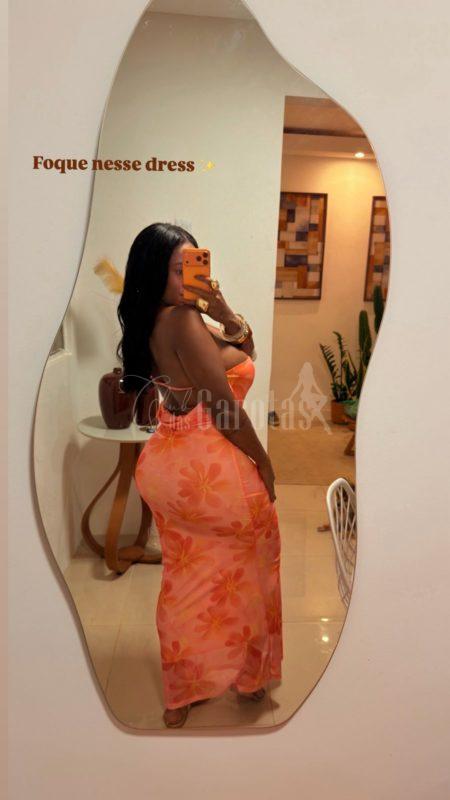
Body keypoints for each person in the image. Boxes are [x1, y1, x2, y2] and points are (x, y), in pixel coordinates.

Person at [117, 222, 283, 728]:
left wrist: (222, 308)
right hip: (210, 470)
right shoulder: (184, 321)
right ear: (154, 273)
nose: (191, 277)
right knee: (251, 571)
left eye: (195, 264)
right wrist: (264, 462)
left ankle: (181, 693)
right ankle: (248, 679)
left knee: (185, 579)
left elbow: (243, 349)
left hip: (169, 465)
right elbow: (225, 409)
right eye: (178, 268)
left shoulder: (161, 318)